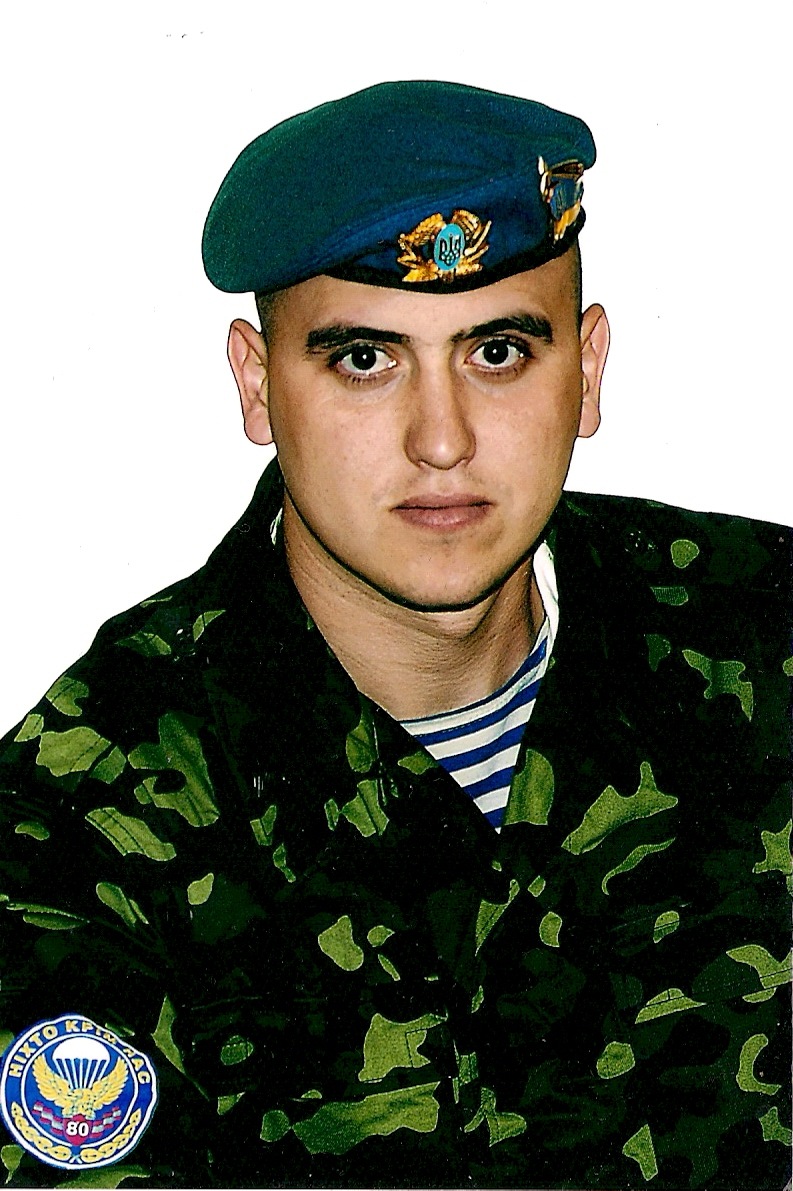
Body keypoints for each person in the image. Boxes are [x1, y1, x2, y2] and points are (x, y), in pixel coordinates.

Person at [0, 80, 789, 1191]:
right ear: (258, 385)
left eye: (497, 352)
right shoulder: (83, 820)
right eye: (364, 360)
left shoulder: (763, 638)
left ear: (587, 369)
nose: (441, 439)